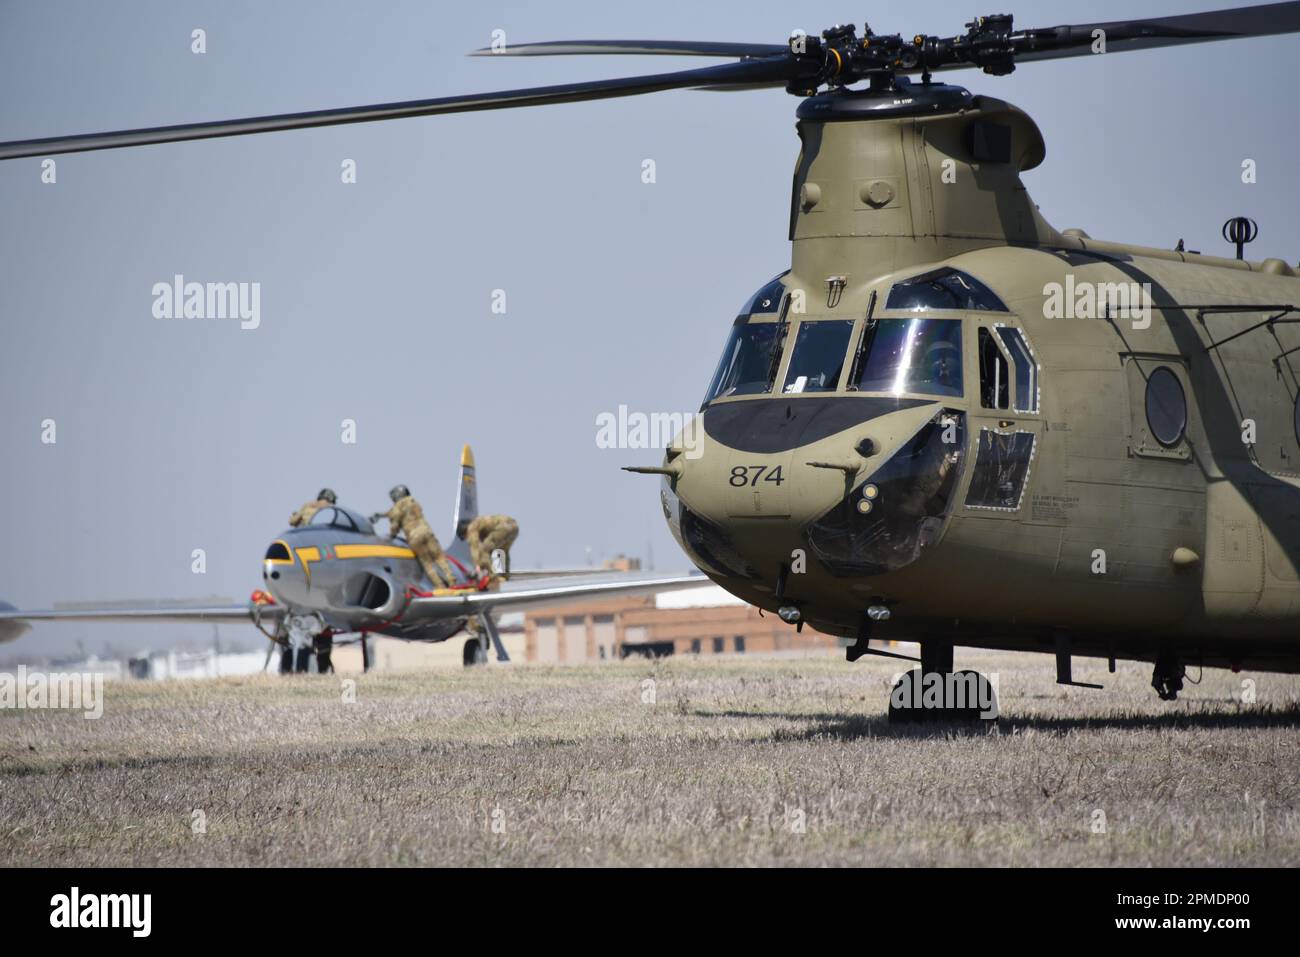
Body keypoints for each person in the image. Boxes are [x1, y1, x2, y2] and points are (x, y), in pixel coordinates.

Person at [373, 485, 458, 589]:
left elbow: (395, 523)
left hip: (414, 537)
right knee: (439, 557)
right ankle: (452, 580)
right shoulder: (413, 502)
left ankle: (440, 586)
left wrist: (392, 535)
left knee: (427, 563)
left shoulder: (397, 508)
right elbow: (396, 511)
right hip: (426, 532)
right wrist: (382, 515)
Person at [466, 514, 519, 582]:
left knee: (484, 550)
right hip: (514, 526)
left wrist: (478, 564)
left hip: (503, 528)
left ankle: (492, 576)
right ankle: (504, 576)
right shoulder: (481, 524)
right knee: (502, 551)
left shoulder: (471, 527)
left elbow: (475, 547)